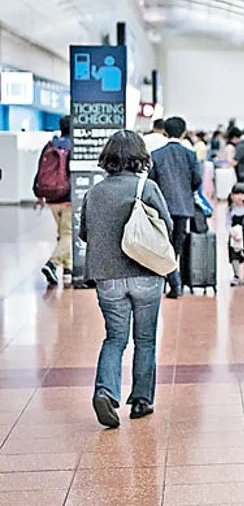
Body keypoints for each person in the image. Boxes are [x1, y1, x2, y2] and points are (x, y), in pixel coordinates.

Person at [79, 130, 172, 428]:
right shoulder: (147, 187)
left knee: (115, 338)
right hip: (145, 273)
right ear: (140, 156)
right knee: (145, 339)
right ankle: (141, 400)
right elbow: (166, 226)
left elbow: (84, 234)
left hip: (108, 277)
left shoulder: (94, 192)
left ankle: (105, 391)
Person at [149, 117, 202, 299]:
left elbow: (151, 181)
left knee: (162, 244)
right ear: (184, 133)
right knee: (176, 245)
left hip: (161, 206)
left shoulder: (156, 154)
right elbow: (197, 180)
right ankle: (174, 281)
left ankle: (171, 281)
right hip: (183, 207)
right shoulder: (190, 154)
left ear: (165, 132)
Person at [34, 115, 73, 287]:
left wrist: (38, 194)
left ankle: (68, 269)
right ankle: (52, 263)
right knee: (68, 234)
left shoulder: (50, 145)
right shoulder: (74, 146)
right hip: (68, 197)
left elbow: (40, 170)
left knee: (62, 234)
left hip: (51, 197)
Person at [227, 183, 244, 286]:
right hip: (234, 238)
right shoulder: (231, 209)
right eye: (237, 194)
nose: (239, 196)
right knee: (234, 256)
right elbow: (227, 223)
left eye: (242, 194)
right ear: (232, 196)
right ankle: (236, 275)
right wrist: (231, 232)